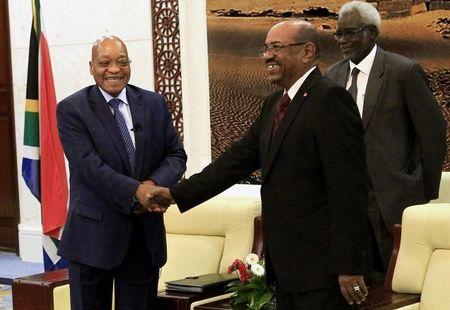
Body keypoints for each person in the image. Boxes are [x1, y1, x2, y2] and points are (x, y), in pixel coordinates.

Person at [143, 20, 370, 308]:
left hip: (322, 268)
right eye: (266, 48)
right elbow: (235, 161)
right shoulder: (276, 103)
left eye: (277, 47)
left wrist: (348, 265)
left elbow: (349, 189)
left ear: (308, 51)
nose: (267, 56)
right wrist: (177, 194)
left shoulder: (330, 99)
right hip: (287, 269)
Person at [56, 35, 187, 310]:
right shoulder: (72, 109)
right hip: (93, 238)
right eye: (105, 63)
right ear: (91, 67)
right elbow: (89, 167)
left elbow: (175, 156)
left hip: (143, 238)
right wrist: (137, 193)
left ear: (130, 65)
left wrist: (152, 185)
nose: (114, 69)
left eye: (122, 62)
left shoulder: (153, 103)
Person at [325, 1, 447, 277]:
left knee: (397, 282)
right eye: (338, 34)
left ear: (372, 32)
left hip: (393, 198)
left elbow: (433, 133)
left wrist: (421, 190)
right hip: (347, 203)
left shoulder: (403, 71)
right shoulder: (332, 75)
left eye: (349, 33)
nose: (342, 41)